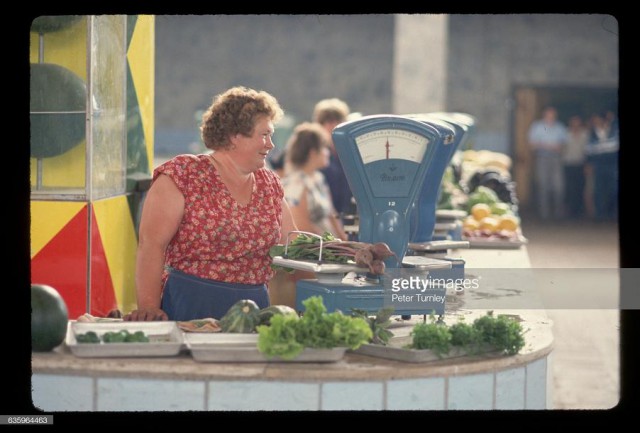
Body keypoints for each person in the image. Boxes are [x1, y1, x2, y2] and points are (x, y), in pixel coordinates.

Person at [124, 86, 297, 321]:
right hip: (191, 303)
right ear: (235, 136)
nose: (271, 145)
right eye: (264, 135)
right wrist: (149, 307)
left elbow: (291, 241)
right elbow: (151, 244)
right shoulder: (185, 174)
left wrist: (343, 253)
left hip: (254, 310)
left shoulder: (270, 184)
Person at [282, 122, 348, 241]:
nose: (328, 153)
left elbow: (331, 214)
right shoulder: (295, 184)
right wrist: (333, 246)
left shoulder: (319, 178)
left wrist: (345, 241)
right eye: (325, 148)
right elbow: (302, 227)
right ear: (313, 152)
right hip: (316, 252)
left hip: (332, 248)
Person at [313, 98, 356, 221]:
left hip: (348, 214)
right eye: (327, 121)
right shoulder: (314, 152)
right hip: (325, 215)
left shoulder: (350, 151)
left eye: (336, 120)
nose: (331, 125)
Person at [528, 106, 568, 220]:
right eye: (549, 114)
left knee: (558, 186)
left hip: (556, 159)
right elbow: (532, 144)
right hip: (542, 158)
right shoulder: (537, 126)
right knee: (543, 186)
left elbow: (564, 144)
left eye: (553, 114)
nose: (551, 116)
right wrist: (548, 146)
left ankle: (558, 213)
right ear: (544, 115)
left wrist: (555, 147)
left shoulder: (560, 127)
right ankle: (544, 214)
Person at [585, 111, 618, 221]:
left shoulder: (614, 131)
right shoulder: (592, 134)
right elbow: (589, 151)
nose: (596, 123)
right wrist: (589, 164)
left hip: (613, 164)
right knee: (599, 190)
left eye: (597, 120)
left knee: (613, 189)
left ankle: (612, 212)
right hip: (598, 165)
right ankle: (601, 215)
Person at [563, 115, 589, 219]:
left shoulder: (585, 134)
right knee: (570, 187)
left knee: (580, 187)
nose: (575, 125)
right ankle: (571, 210)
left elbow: (587, 150)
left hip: (580, 164)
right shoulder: (565, 134)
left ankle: (579, 210)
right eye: (574, 123)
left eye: (577, 123)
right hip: (568, 164)